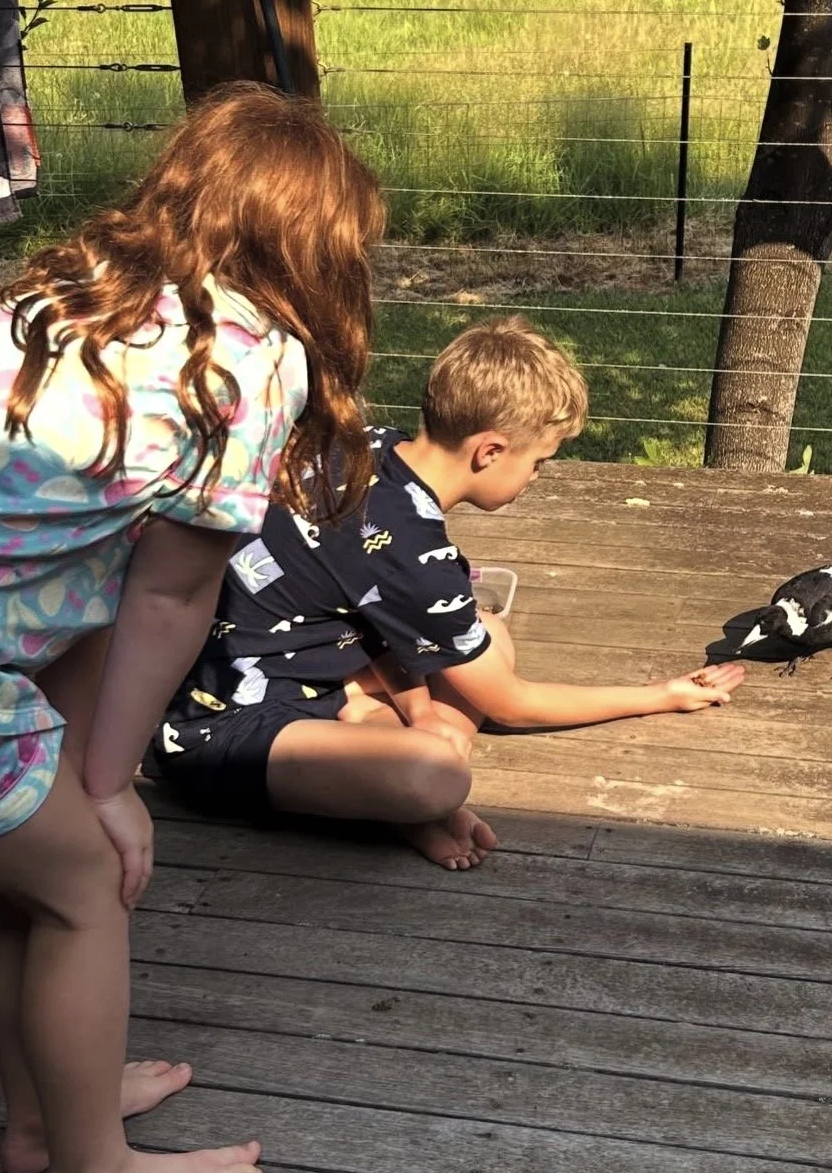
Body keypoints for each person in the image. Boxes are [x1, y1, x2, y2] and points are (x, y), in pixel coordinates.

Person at [0, 81, 384, 1173]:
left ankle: (44, 1114)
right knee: (86, 884)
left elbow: (88, 590)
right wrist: (109, 787)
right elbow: (170, 592)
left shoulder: (81, 300)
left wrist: (72, 772)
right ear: (320, 252)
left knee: (32, 864)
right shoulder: (245, 358)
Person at [151, 316, 745, 870]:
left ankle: (377, 748)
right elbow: (512, 704)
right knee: (436, 773)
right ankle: (400, 803)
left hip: (307, 670)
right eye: (539, 461)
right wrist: (659, 696)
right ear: (489, 450)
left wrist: (417, 709)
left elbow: (370, 608)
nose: (536, 477)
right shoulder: (409, 546)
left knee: (490, 639)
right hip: (220, 729)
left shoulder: (373, 445)